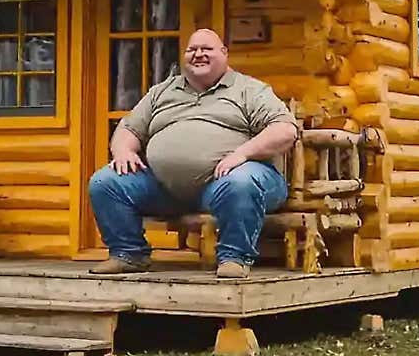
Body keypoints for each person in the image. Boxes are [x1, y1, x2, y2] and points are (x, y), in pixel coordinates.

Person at [87, 28, 299, 278]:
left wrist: (242, 154)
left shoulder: (249, 90)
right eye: (192, 50)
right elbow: (129, 128)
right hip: (166, 188)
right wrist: (123, 150)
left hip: (227, 182)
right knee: (106, 182)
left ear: (224, 53)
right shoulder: (162, 92)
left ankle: (234, 258)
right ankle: (128, 254)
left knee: (240, 182)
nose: (198, 54)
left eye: (206, 49)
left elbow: (284, 129)